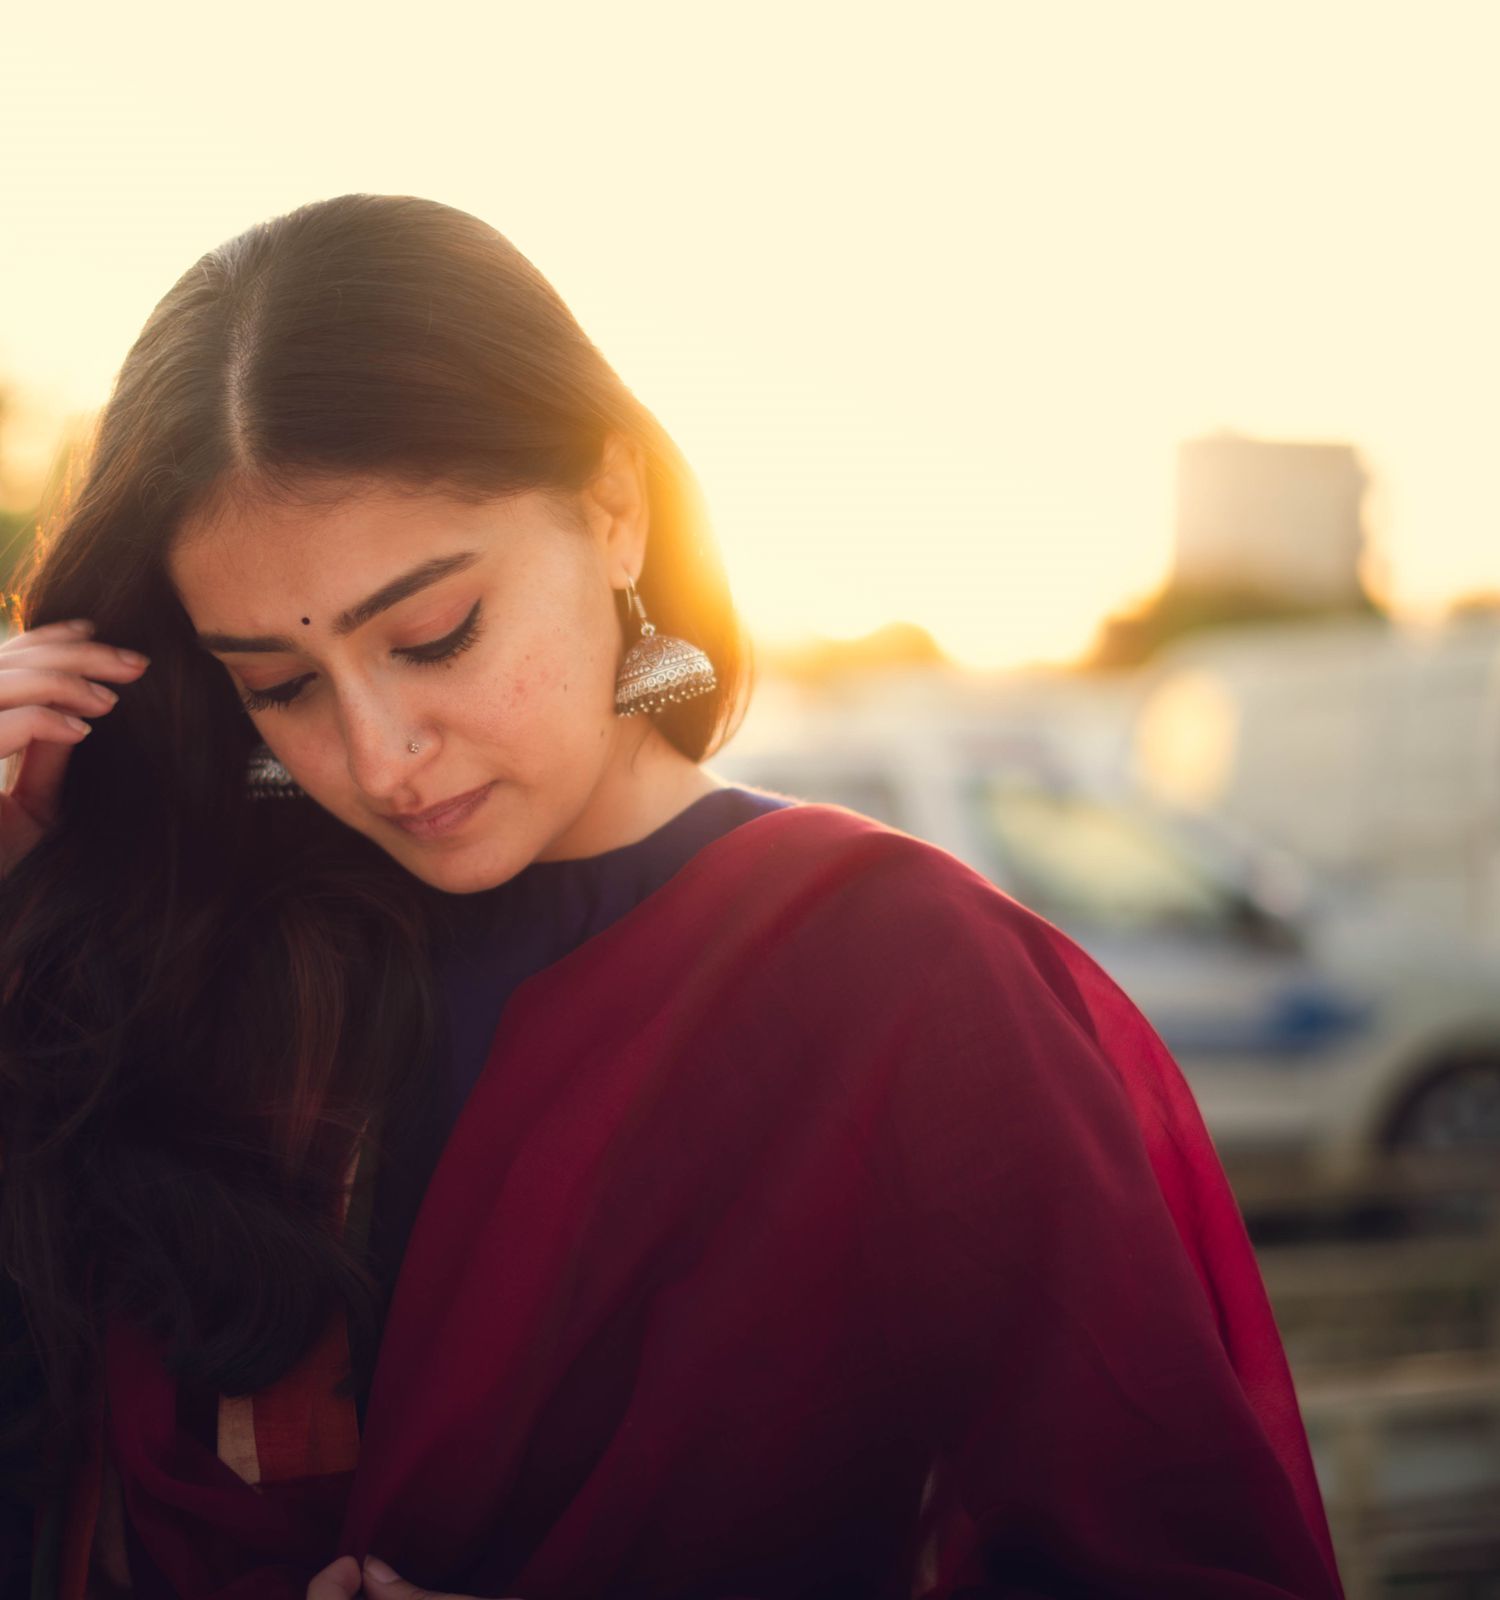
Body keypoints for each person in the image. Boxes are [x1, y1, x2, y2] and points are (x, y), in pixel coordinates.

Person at [0, 193, 1345, 1600]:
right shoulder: (215, 969)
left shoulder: (902, 979)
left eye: (435, 634)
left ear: (615, 510)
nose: (381, 756)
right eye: (279, 688)